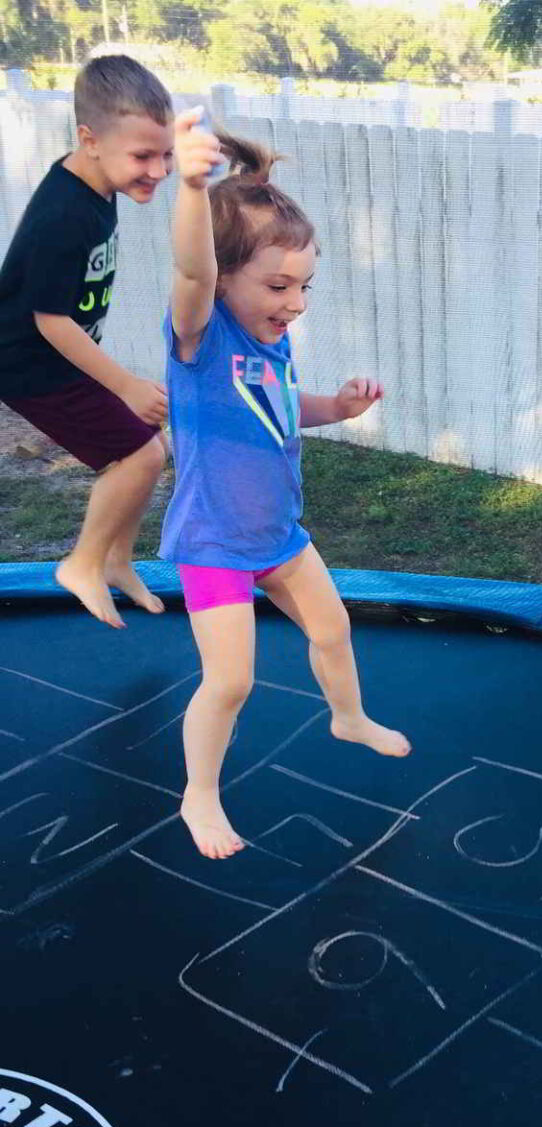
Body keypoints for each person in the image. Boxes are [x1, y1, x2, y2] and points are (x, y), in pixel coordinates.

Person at [162, 109, 410, 860]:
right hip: (215, 545)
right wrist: (190, 189)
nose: (294, 303)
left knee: (333, 631)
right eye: (277, 286)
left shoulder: (273, 345)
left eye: (304, 286)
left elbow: (277, 410)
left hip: (281, 537)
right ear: (226, 278)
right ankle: (197, 794)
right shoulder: (200, 336)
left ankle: (347, 717)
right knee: (230, 682)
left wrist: (338, 406)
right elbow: (192, 269)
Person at [0, 55, 173, 627]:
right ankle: (82, 562)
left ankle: (117, 561)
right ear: (89, 139)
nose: (159, 169)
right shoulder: (64, 212)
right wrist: (123, 384)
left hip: (54, 356)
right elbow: (52, 321)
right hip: (30, 364)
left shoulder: (96, 182)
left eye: (165, 153)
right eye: (144, 157)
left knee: (149, 452)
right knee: (138, 455)